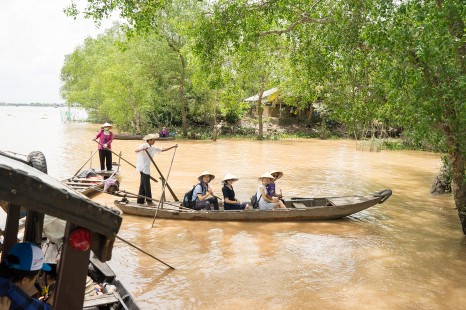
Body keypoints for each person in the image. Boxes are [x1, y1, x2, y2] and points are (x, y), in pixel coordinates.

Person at [0, 242, 52, 310]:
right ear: (25, 279)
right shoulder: (9, 293)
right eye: (36, 278)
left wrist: (43, 283)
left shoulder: (4, 283)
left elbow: (21, 297)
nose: (36, 280)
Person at [135, 133, 178, 205]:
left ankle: (140, 200)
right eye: (153, 140)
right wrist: (143, 149)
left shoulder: (152, 148)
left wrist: (173, 146)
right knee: (147, 184)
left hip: (146, 167)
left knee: (143, 184)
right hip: (143, 167)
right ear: (149, 140)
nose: (154, 141)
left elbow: (162, 149)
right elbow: (136, 150)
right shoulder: (144, 145)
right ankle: (149, 201)